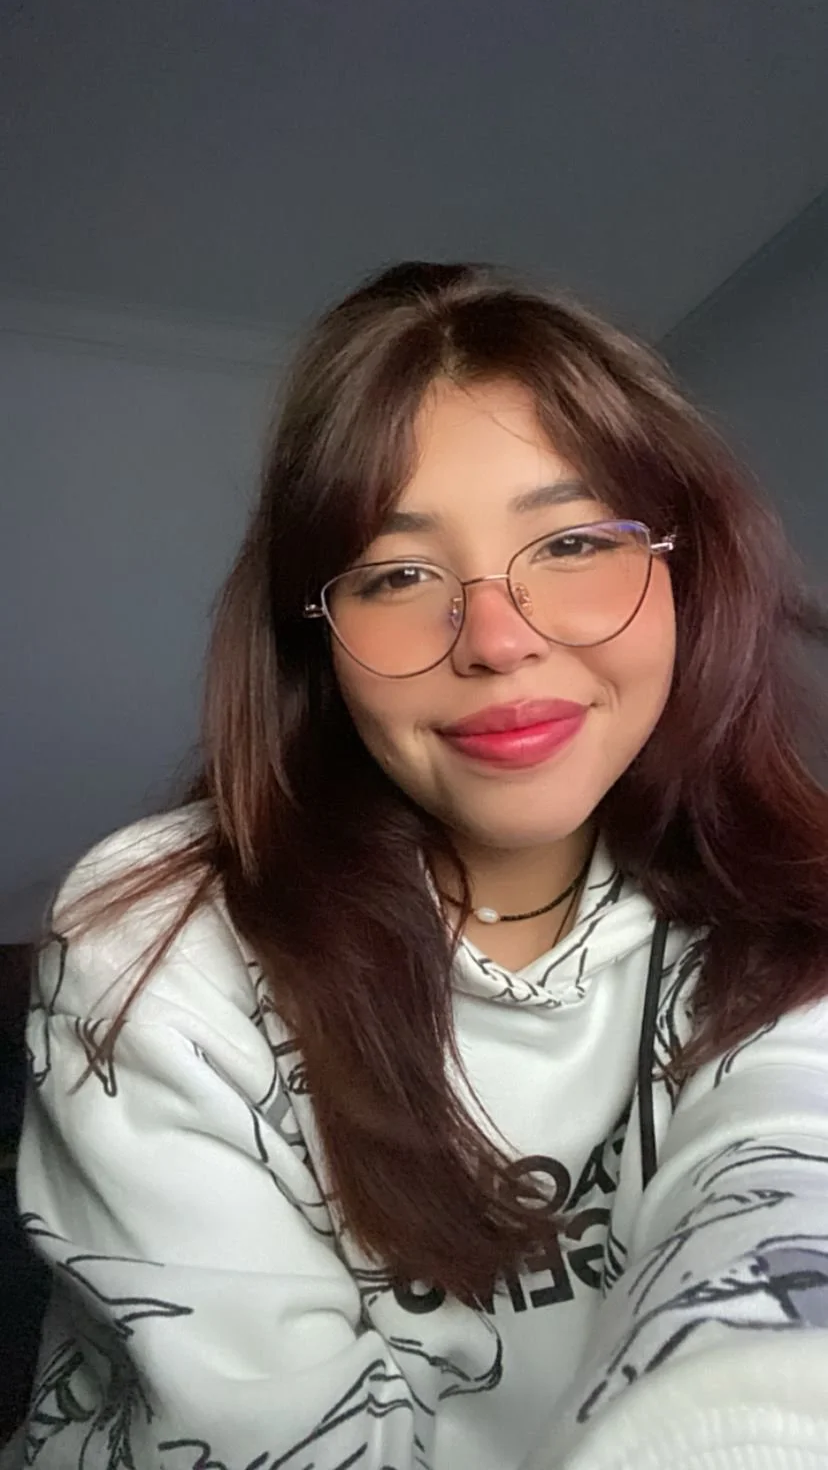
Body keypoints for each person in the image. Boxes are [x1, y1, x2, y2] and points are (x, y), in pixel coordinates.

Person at [7, 261, 828, 1470]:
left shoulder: (788, 898)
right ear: (314, 633)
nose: (498, 638)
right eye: (397, 575)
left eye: (573, 541)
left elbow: (786, 1206)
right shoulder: (159, 942)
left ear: (685, 570)